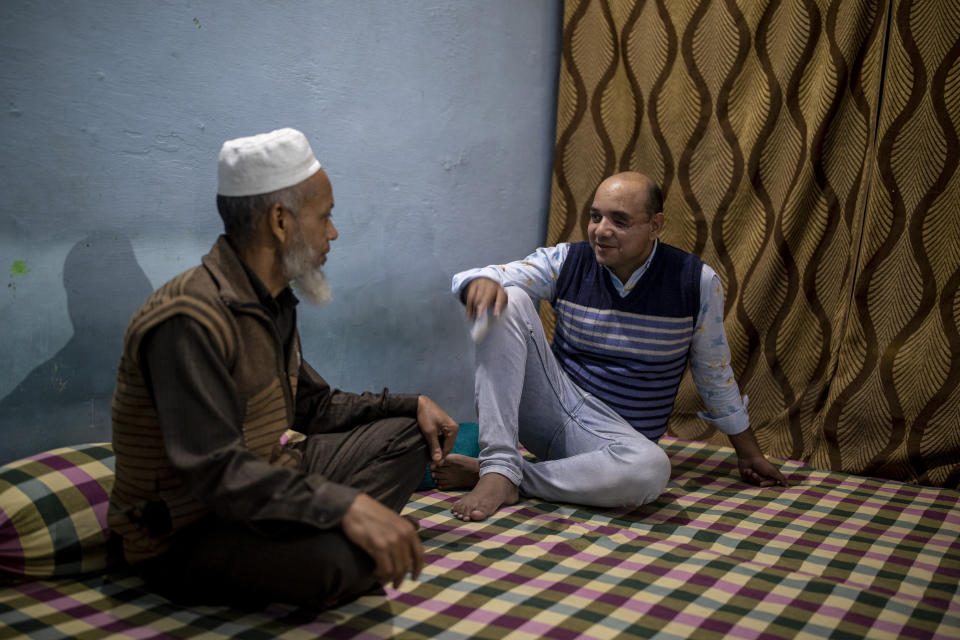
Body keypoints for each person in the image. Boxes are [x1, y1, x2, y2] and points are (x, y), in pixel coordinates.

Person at [107, 127, 459, 610]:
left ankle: (348, 532)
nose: (332, 231)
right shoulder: (189, 317)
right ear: (280, 221)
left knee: (408, 434)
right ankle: (352, 538)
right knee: (339, 564)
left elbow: (312, 406)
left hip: (264, 486)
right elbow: (216, 471)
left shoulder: (269, 302)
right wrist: (345, 506)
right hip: (187, 530)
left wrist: (410, 403)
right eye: (325, 216)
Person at [434, 171, 786, 522]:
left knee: (650, 470)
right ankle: (498, 466)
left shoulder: (695, 282)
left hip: (614, 442)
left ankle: (509, 477)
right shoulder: (568, 261)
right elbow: (479, 275)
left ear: (655, 225)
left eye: (620, 221)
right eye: (595, 216)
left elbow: (714, 373)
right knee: (506, 297)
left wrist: (748, 453)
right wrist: (479, 282)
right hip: (551, 408)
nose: (601, 230)